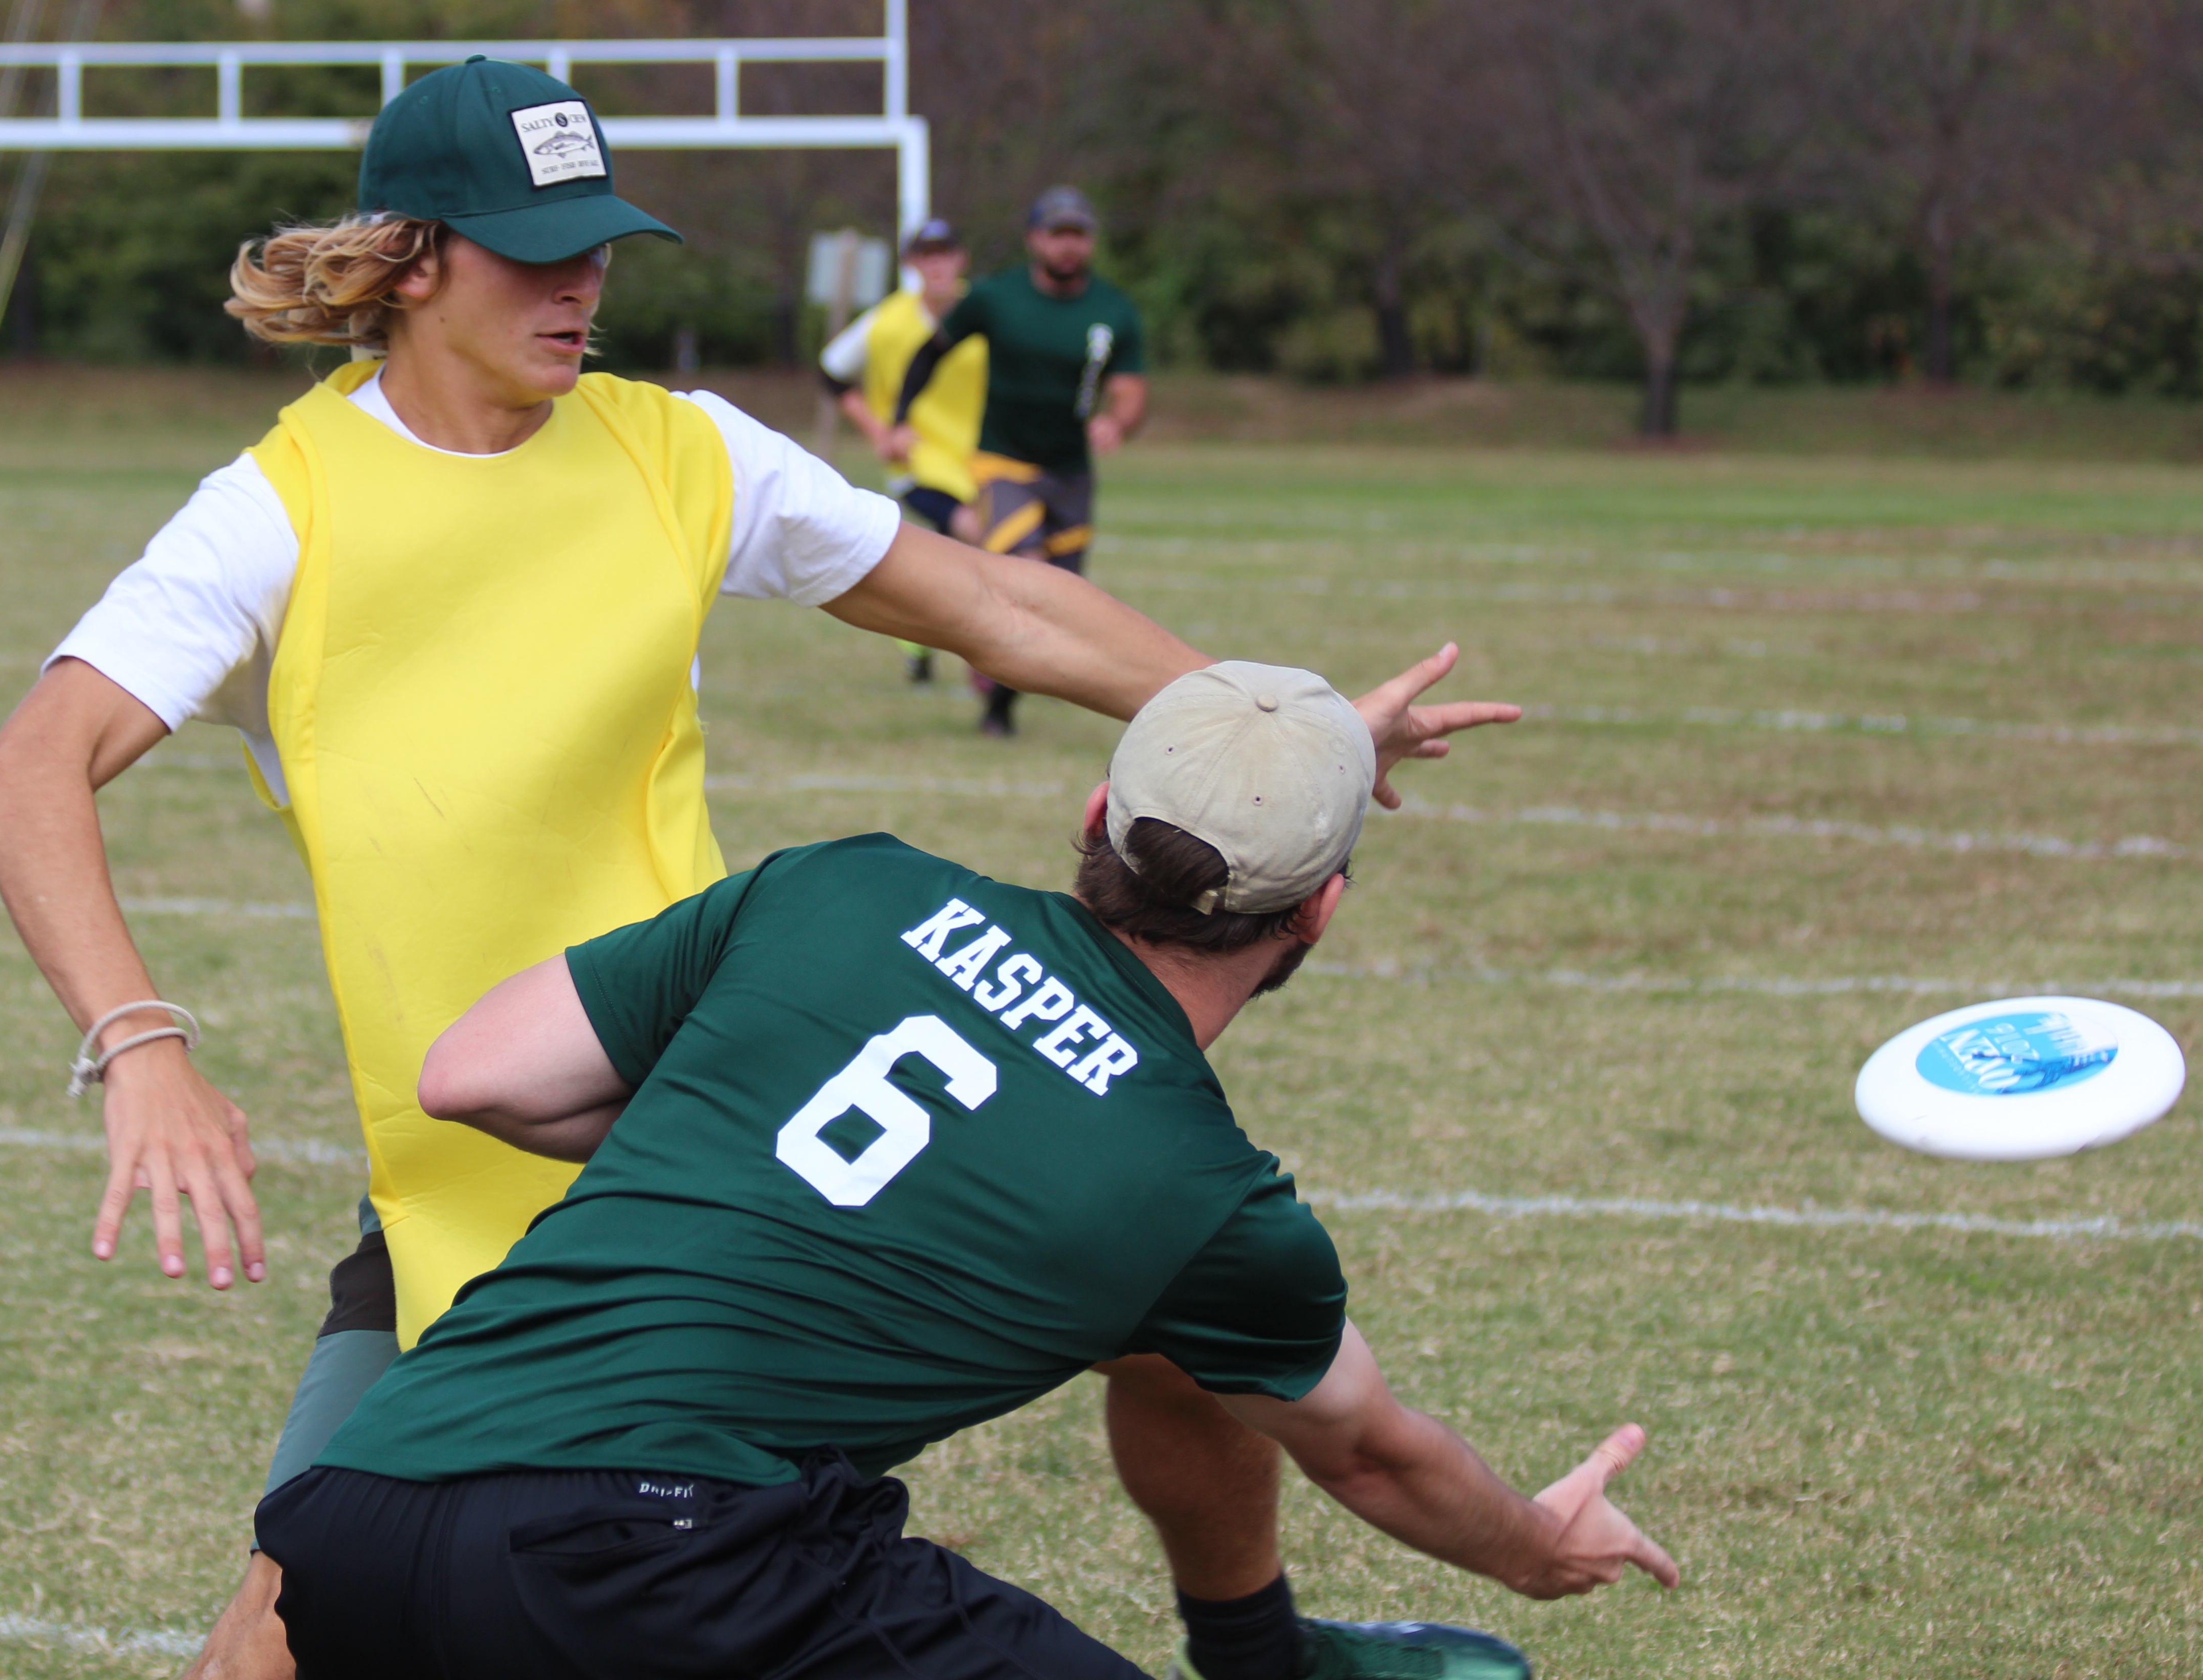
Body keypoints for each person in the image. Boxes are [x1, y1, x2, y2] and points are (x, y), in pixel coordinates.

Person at [0, 57, 1522, 1680]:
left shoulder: (680, 451)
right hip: (474, 1170)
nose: (583, 285)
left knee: (1179, 1316)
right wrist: (141, 1045)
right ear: (410, 262)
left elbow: (998, 606)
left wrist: (1277, 740)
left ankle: (1264, 1655)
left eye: (599, 246)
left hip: (706, 1135)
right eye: (536, 252)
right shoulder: (274, 515)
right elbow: (28, 775)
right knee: (287, 1633)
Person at [258, 662, 1678, 1680]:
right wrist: (1533, 1547)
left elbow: (476, 1075)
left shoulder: (843, 884)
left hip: (360, 1516)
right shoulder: (1203, 1195)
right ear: (1321, 913)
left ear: (1095, 813)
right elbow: (1370, 1448)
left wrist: (736, 1132)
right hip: (658, 1555)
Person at [887, 185, 1147, 737]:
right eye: (1058, 233)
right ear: (1035, 239)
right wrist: (903, 417)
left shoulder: (1113, 310)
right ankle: (996, 704)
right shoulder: (996, 298)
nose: (1068, 245)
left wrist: (1117, 422)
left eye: (1078, 234)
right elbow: (931, 354)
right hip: (1001, 464)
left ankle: (1005, 696)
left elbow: (1130, 389)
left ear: (1092, 242)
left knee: (1067, 599)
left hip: (1071, 471)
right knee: (1029, 573)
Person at [819, 216, 988, 685]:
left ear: (961, 259)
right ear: (912, 264)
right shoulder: (888, 322)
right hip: (917, 462)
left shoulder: (984, 311)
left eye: (945, 254)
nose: (937, 266)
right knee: (973, 532)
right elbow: (831, 372)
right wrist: (879, 432)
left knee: (953, 558)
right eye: (926, 256)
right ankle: (986, 658)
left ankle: (919, 642)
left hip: (978, 459)